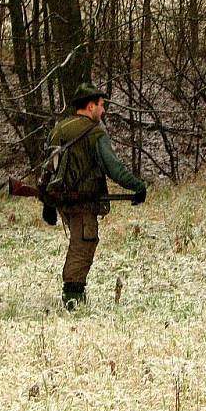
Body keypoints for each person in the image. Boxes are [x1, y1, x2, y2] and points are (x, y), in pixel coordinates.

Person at [48, 83, 147, 310]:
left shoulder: (59, 129)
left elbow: (48, 170)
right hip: (84, 201)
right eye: (101, 106)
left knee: (78, 244)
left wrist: (49, 203)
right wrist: (137, 186)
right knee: (83, 245)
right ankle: (73, 299)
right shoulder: (94, 132)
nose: (103, 111)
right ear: (90, 105)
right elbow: (113, 167)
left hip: (65, 202)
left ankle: (73, 294)